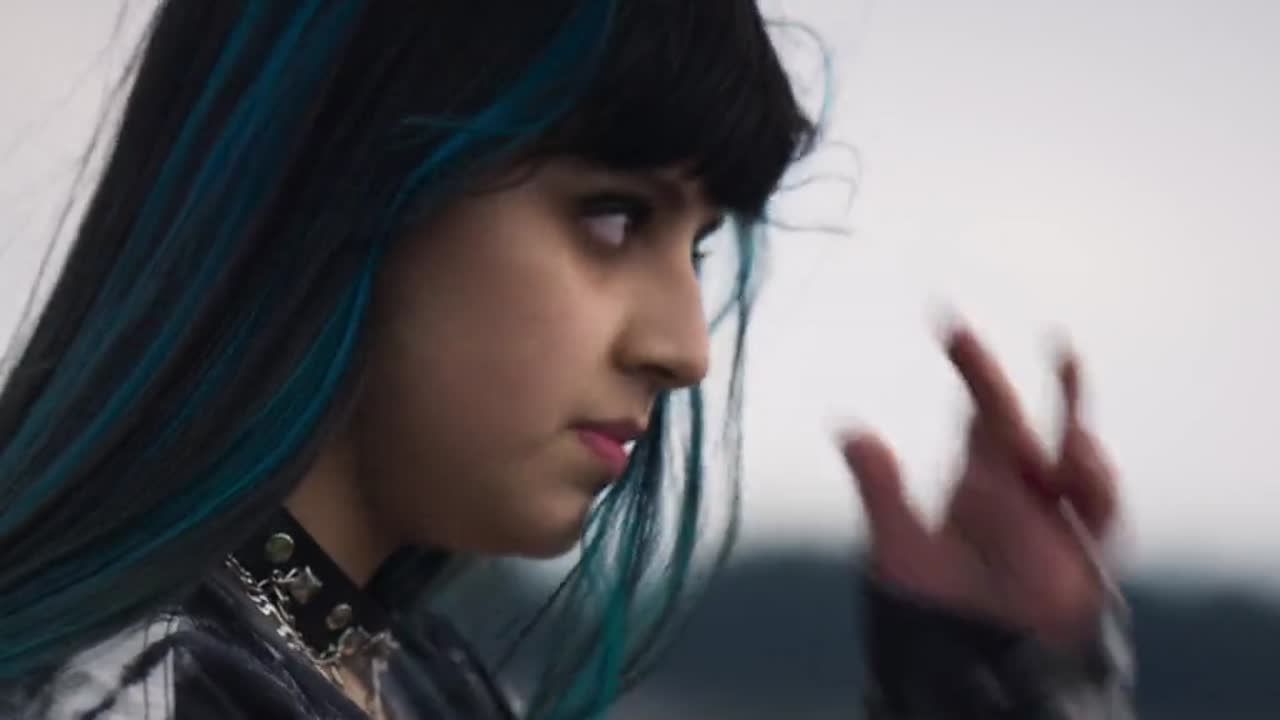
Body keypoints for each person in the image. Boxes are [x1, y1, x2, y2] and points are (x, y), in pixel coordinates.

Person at [0, 1, 1134, 718]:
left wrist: (992, 679)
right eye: (613, 217)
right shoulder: (152, 695)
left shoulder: (391, 668)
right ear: (333, 177)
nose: (683, 348)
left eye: (696, 246)